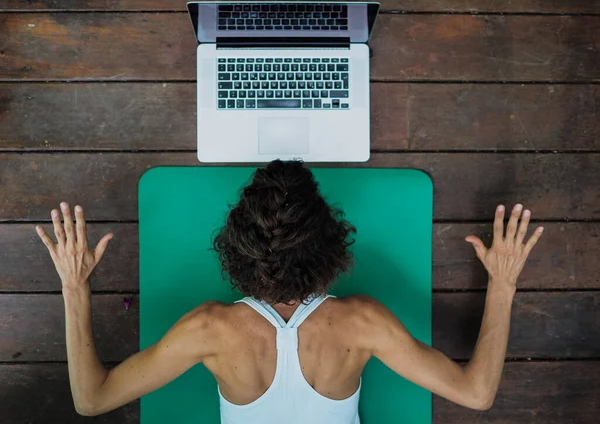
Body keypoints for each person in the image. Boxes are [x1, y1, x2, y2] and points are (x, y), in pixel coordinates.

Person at [36, 160, 543, 423]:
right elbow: (476, 394)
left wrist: (74, 286)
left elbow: (91, 399)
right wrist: (502, 283)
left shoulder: (209, 328)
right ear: (330, 246)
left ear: (236, 248)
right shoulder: (362, 322)